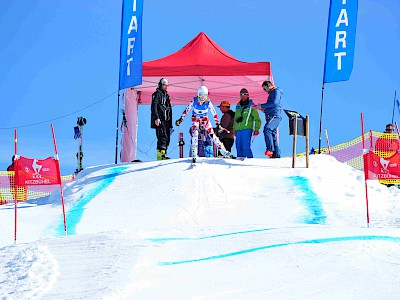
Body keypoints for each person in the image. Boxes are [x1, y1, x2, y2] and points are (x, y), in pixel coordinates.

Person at [175, 85, 232, 163]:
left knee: (212, 135)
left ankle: (223, 151)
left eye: (204, 95)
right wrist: (181, 119)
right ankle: (194, 153)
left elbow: (214, 112)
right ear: (198, 94)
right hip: (196, 119)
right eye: (201, 95)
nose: (202, 97)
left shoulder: (208, 102)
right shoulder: (194, 101)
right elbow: (187, 110)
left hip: (205, 120)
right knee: (195, 134)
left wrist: (217, 123)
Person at [255, 80, 283, 158]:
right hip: (271, 115)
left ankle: (270, 149)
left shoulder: (276, 91)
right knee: (273, 134)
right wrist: (263, 109)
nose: (264, 91)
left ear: (268, 86)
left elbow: (275, 103)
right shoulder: (272, 93)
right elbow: (271, 106)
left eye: (264, 88)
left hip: (274, 116)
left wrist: (262, 106)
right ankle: (276, 154)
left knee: (267, 129)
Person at [233, 88, 261, 158]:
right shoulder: (238, 105)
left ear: (248, 95)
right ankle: (239, 162)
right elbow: (235, 118)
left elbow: (257, 118)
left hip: (247, 129)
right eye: (241, 94)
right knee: (238, 146)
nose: (243, 96)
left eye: (244, 94)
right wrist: (234, 129)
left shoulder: (251, 105)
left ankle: (250, 162)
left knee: (246, 147)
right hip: (238, 130)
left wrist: (256, 129)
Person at [151, 78, 173, 160]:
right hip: (160, 119)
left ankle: (163, 154)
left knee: (167, 137)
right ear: (160, 84)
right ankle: (160, 156)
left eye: (167, 85)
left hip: (166, 120)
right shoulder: (157, 94)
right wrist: (156, 117)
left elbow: (168, 108)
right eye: (164, 85)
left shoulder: (166, 95)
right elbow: (154, 106)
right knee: (162, 137)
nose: (166, 87)